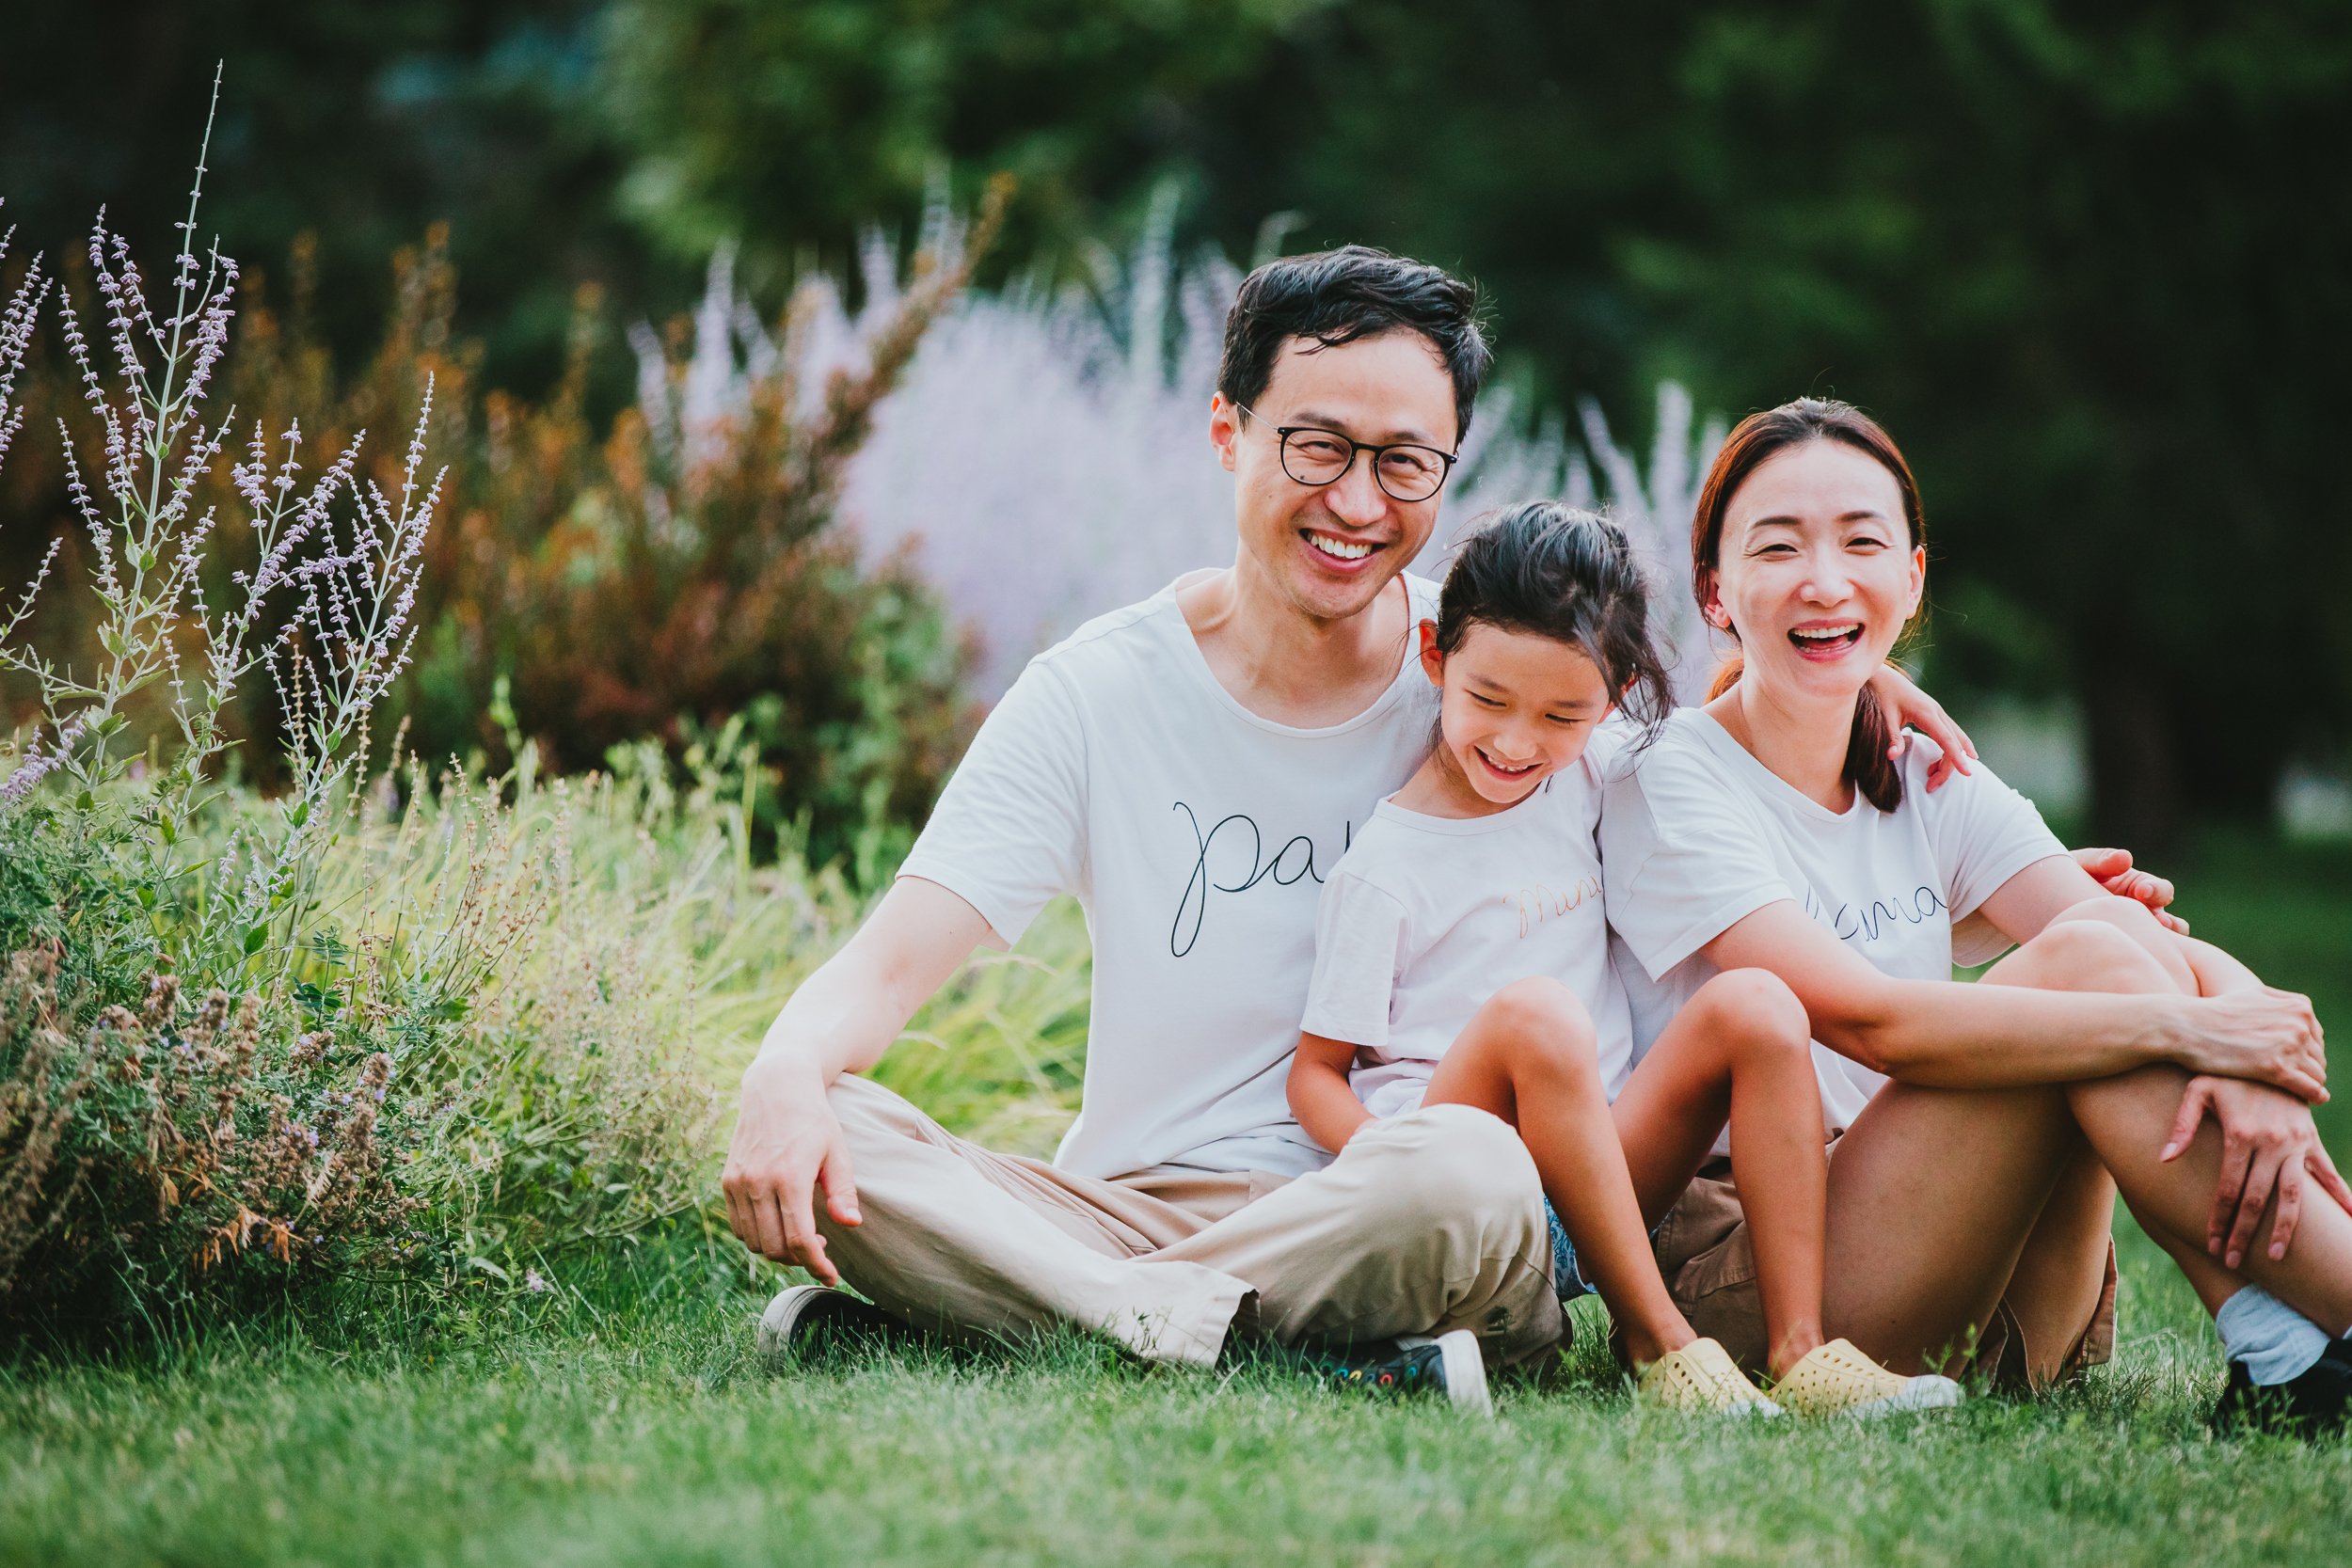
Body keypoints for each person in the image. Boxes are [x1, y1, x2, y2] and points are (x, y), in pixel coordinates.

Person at [720, 249, 2171, 1407]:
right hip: (1129, 1211)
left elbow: (1703, 762)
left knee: (1469, 1160)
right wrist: (789, 1066)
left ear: (1449, 476)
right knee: (842, 1127)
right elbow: (896, 956)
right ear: (1226, 430)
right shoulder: (1096, 692)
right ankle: (1195, 1322)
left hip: (1427, 1206)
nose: (1358, 500)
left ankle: (1023, 1314)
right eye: (1315, 445)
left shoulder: (1497, 684)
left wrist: (1857, 670)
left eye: (1405, 462)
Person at [1600, 397, 2352, 1432]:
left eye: (1862, 541)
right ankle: (2311, 1336)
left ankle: (2287, 1352)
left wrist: (2255, 1044)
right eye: (1778, 547)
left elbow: (2124, 935)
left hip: (1999, 1289)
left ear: (1910, 579)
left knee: (2093, 943)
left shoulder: (1919, 764)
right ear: (1715, 592)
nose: (1824, 580)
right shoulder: (1668, 776)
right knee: (2086, 966)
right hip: (1773, 1288)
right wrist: (2198, 1028)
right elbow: (1867, 1019)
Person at [1288, 500, 1963, 1418]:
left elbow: (1742, 724)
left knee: (1759, 1003)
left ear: (1611, 700)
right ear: (1435, 657)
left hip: (1602, 1180)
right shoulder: (1387, 866)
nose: (1518, 741)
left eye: (1564, 712)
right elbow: (1315, 1076)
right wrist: (1397, 1165)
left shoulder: (1594, 771)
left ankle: (1803, 1351)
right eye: (1487, 700)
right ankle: (1658, 1343)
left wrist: (1873, 682)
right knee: (1538, 1017)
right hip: (1460, 1193)